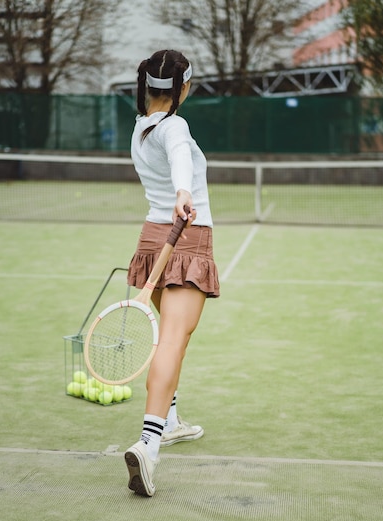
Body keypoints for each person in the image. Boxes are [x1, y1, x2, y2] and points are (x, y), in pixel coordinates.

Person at [124, 50, 220, 496]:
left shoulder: (140, 128)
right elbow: (180, 155)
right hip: (185, 235)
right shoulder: (175, 125)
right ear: (183, 88)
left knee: (170, 334)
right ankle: (149, 444)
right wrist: (184, 190)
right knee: (174, 338)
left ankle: (172, 421)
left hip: (152, 238)